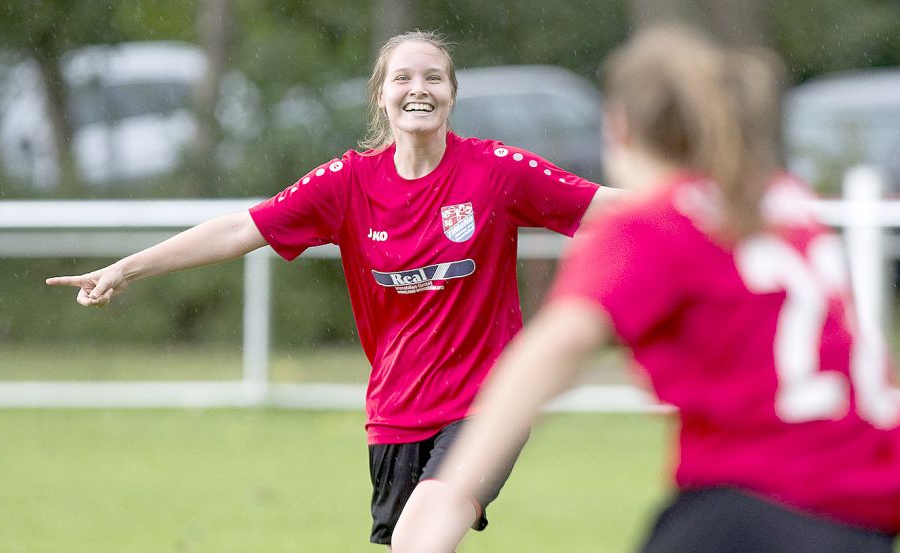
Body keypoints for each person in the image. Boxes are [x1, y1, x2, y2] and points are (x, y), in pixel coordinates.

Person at [46, 30, 622, 550]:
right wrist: (126, 268)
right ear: (381, 96)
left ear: (451, 94)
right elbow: (239, 229)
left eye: (433, 77)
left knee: (421, 540)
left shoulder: (495, 171)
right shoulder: (348, 182)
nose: (418, 88)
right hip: (396, 411)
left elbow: (607, 208)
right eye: (403, 77)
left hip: (490, 404)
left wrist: (704, 213)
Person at [395, 25, 900, 553]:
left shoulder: (653, 226)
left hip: (767, 493)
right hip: (871, 496)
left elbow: (554, 350)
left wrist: (453, 485)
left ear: (618, 126)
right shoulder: (775, 198)